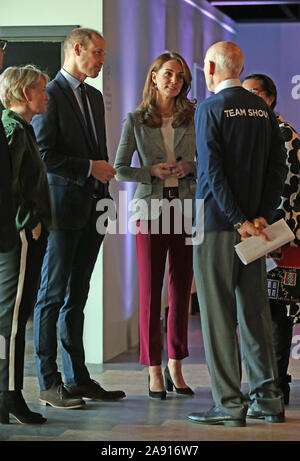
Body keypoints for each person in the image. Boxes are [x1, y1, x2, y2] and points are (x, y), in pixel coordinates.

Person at [187, 41, 287, 427]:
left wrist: (236, 218)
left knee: (217, 316)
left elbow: (211, 172)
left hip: (217, 224)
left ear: (210, 67)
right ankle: (268, 400)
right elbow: (276, 169)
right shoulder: (263, 109)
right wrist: (259, 216)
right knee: (255, 312)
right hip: (255, 230)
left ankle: (229, 405)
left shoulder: (210, 109)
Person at [31, 27, 125, 409]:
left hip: (93, 210)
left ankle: (78, 378)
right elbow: (43, 154)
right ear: (77, 49)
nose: (103, 60)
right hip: (62, 210)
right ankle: (49, 383)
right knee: (51, 297)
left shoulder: (93, 94)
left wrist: (101, 188)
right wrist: (90, 168)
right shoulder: (48, 95)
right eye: (98, 53)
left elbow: (98, 154)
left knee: (77, 297)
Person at [114, 52, 196, 399]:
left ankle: (176, 363)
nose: (173, 81)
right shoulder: (135, 119)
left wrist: (187, 167)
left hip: (187, 207)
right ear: (153, 77)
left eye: (179, 76)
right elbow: (120, 168)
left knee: (181, 291)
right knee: (150, 292)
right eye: (167, 74)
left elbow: (207, 160)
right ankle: (153, 368)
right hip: (148, 210)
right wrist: (150, 171)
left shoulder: (195, 115)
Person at [0, 64, 55, 424]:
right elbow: (10, 184)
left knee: (13, 318)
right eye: (41, 89)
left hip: (24, 234)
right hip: (21, 237)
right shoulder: (13, 130)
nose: (46, 95)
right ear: (25, 94)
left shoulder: (22, 129)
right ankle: (10, 397)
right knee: (14, 320)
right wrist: (29, 222)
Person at [242, 73, 300, 405]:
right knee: (265, 312)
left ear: (269, 98)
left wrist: (268, 235)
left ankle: (277, 387)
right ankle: (271, 383)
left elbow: (287, 194)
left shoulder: (283, 135)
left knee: (278, 314)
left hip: (282, 240)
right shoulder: (259, 133)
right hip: (263, 237)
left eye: (252, 94)